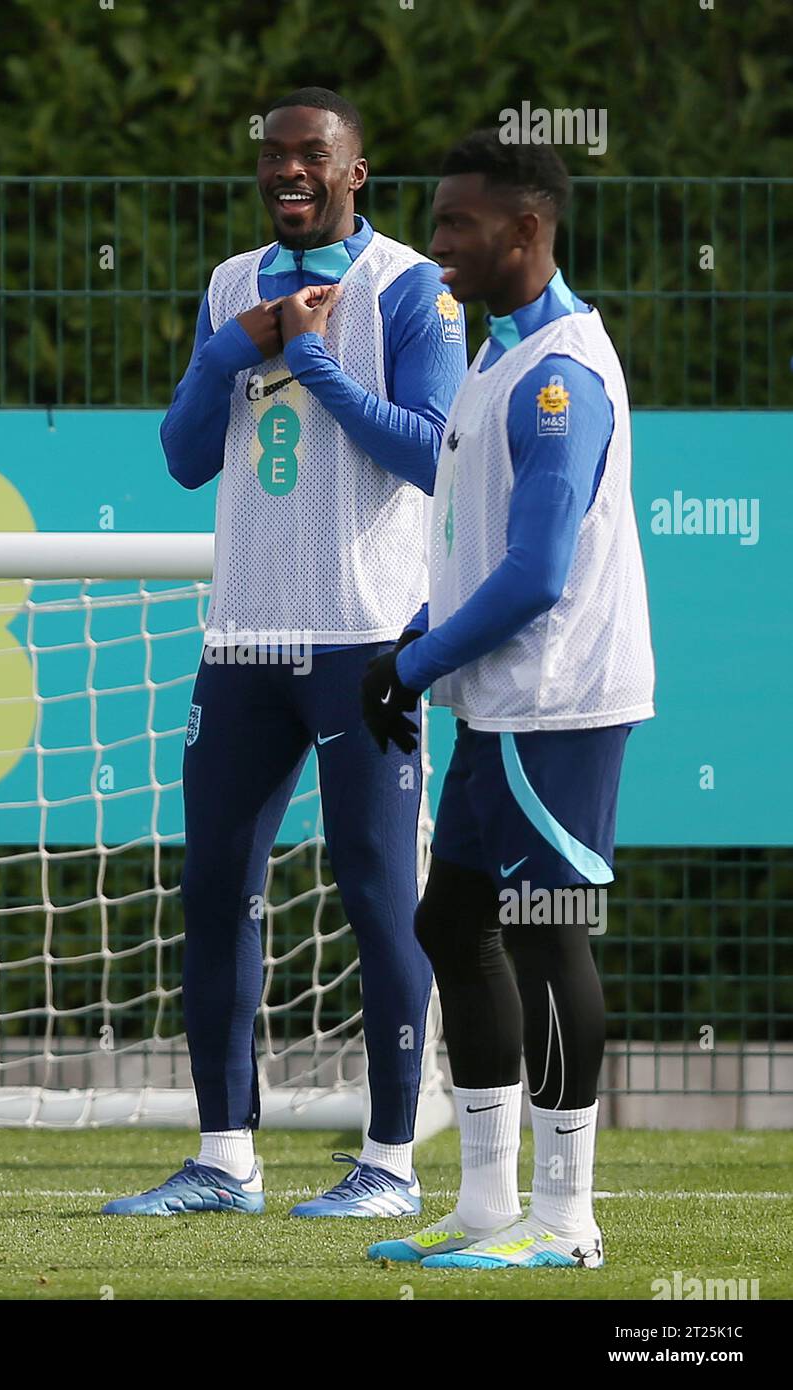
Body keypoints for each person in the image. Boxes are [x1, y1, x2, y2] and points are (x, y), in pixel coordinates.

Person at [102, 87, 465, 1218]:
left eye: (312, 155)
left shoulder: (412, 287)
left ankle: (392, 1168)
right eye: (274, 156)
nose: (288, 171)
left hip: (364, 639)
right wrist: (234, 348)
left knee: (376, 891)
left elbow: (429, 454)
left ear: (358, 170)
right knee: (214, 889)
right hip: (243, 637)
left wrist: (307, 360)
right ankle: (224, 1159)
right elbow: (179, 457)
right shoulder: (229, 283)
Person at [364, 129, 654, 1267]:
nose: (436, 248)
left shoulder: (559, 378)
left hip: (557, 701)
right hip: (498, 699)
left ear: (526, 230)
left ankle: (566, 1218)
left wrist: (414, 665)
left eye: (457, 227)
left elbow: (536, 578)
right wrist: (422, 642)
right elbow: (486, 551)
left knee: (544, 938)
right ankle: (489, 1203)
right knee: (453, 922)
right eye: (433, 223)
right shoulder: (495, 357)